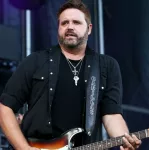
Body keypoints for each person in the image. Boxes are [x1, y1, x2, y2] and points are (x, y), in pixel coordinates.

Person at [0, 0, 141, 150]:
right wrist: (24, 148)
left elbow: (112, 114)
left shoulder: (106, 66)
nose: (70, 27)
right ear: (58, 28)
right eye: (64, 23)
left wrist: (123, 139)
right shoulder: (36, 61)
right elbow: (5, 107)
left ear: (89, 29)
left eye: (76, 22)